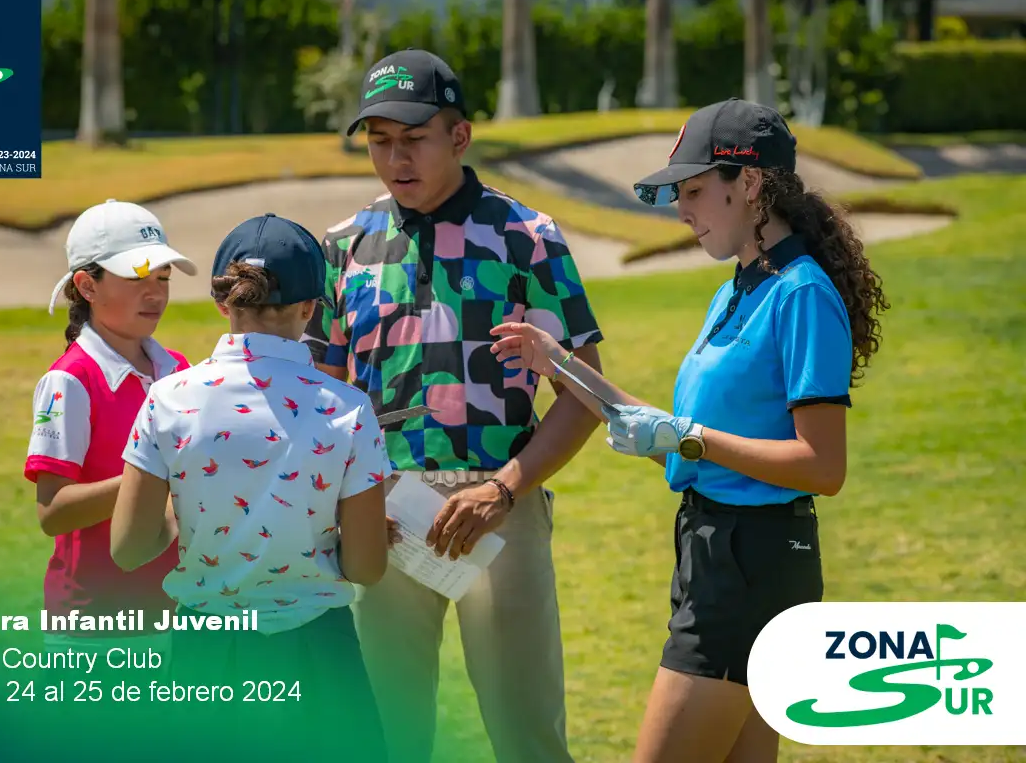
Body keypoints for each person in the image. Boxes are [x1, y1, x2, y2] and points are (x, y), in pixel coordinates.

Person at [488, 98, 890, 763]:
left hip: (751, 565)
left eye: (695, 191)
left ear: (750, 183)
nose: (681, 210)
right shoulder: (736, 289)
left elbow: (823, 466)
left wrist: (687, 437)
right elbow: (669, 434)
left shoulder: (801, 293)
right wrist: (556, 362)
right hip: (714, 554)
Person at [302, 48, 605, 763]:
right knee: (386, 739)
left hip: (500, 509)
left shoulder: (527, 238)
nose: (395, 159)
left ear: (460, 136)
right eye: (380, 141)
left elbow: (586, 392)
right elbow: (320, 401)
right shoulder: (342, 248)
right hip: (379, 517)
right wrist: (348, 502)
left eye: (414, 139)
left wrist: (504, 490)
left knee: (528, 737)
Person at [109, 213, 392, 762]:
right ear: (310, 308)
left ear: (224, 302)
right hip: (318, 653)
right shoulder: (347, 408)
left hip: (205, 655)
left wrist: (188, 514)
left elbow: (128, 549)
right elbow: (366, 567)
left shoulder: (168, 399)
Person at [23, 198, 198, 678]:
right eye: (137, 277)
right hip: (96, 628)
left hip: (179, 613)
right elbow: (53, 512)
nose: (156, 293)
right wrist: (150, 476)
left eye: (163, 277)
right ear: (87, 286)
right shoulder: (70, 381)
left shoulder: (178, 370)